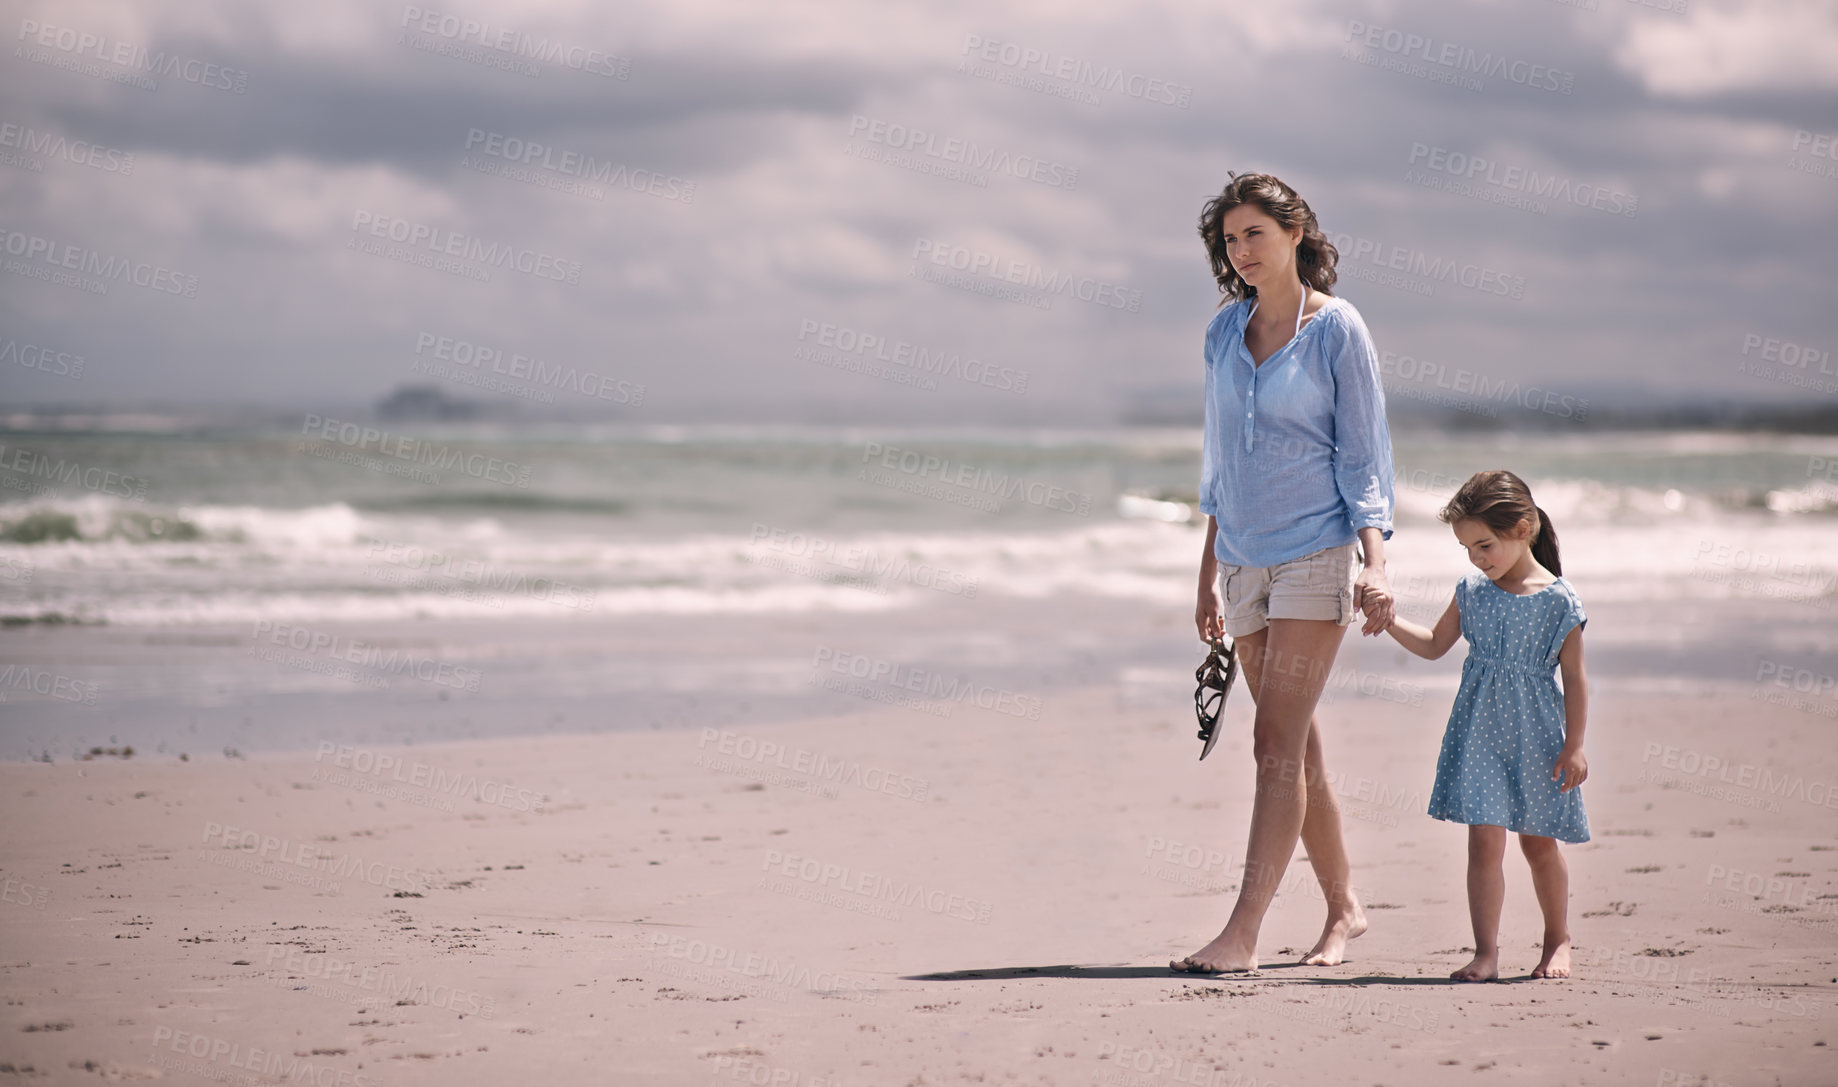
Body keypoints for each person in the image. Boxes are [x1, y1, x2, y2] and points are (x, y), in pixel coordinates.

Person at [1172, 173, 1396, 975]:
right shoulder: (1223, 332)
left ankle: (1241, 932)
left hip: (1315, 553)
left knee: (1273, 744)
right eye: (1230, 240)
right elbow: (1220, 463)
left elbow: (1364, 456)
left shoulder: (1337, 330)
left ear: (1295, 232)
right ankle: (1345, 908)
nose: (1241, 251)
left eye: (1253, 234)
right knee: (1296, 752)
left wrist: (1375, 560)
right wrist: (1207, 572)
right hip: (1242, 559)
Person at [1383, 470, 1590, 981]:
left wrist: (1575, 746)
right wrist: (1387, 619)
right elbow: (1433, 645)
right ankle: (1486, 953)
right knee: (1484, 842)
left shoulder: (1559, 601)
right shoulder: (1472, 590)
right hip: (1479, 734)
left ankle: (1557, 938)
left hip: (1539, 737)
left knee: (1539, 842)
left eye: (1485, 544)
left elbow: (1577, 680)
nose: (1477, 558)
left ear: (1524, 529)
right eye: (1467, 548)